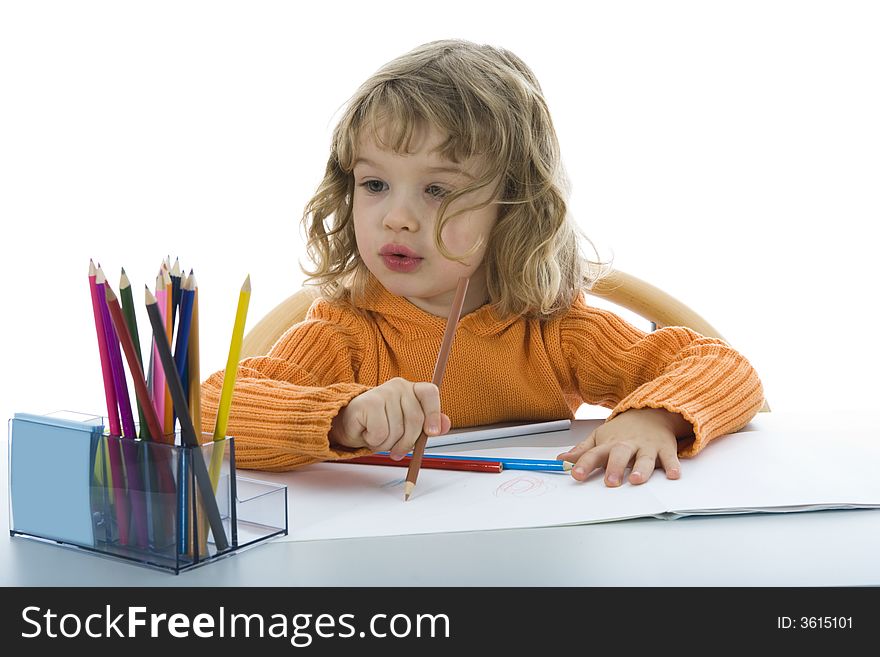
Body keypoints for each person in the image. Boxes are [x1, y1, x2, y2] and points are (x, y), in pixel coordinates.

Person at [201, 39, 763, 487]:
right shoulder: (347, 331)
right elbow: (212, 410)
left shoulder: (556, 329)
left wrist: (654, 415)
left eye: (437, 190)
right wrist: (344, 417)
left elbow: (730, 371)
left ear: (516, 207)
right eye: (374, 183)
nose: (396, 217)